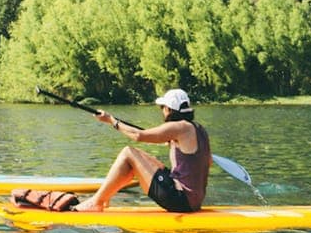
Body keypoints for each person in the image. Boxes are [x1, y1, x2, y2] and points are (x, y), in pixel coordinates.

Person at [72, 88, 211, 213]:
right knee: (143, 159)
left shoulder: (179, 127)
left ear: (168, 109)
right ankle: (105, 197)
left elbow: (138, 135)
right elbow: (207, 161)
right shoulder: (199, 129)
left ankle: (96, 202)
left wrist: (111, 120)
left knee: (128, 153)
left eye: (162, 107)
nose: (162, 111)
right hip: (194, 202)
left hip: (180, 200)